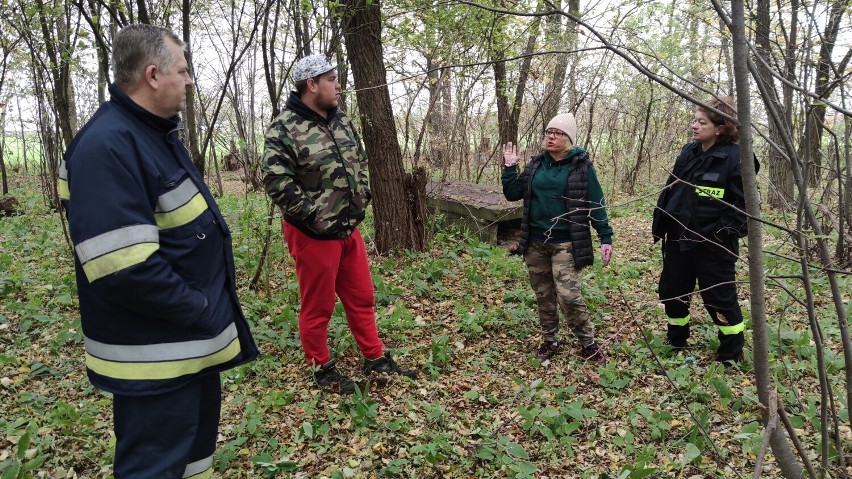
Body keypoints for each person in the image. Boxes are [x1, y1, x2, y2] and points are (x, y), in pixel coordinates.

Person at [59, 24, 258, 478]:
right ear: (153, 75)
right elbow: (122, 267)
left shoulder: (151, 134)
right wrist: (200, 308)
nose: (189, 81)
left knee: (194, 465)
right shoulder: (108, 146)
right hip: (154, 361)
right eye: (183, 71)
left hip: (185, 351)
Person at [262, 54, 416, 393]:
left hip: (349, 228)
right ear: (311, 84)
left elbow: (359, 160)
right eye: (331, 79)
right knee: (318, 306)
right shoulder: (284, 127)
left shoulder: (341, 121)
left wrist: (362, 200)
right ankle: (322, 369)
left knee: (362, 296)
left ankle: (375, 357)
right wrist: (313, 214)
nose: (338, 85)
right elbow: (275, 180)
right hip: (312, 234)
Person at [502, 112, 613, 365]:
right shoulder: (536, 165)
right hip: (535, 242)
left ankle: (588, 343)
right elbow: (512, 193)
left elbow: (596, 204)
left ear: (569, 139)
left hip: (566, 242)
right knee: (544, 295)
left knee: (569, 296)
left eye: (558, 133)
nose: (551, 136)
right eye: (549, 132)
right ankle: (550, 339)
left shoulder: (582, 167)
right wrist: (510, 168)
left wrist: (605, 236)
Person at [652, 96, 751, 365]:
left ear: (720, 127)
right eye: (694, 120)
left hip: (713, 245)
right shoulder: (689, 152)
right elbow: (672, 190)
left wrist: (719, 235)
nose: (694, 126)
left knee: (719, 298)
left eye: (701, 122)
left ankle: (730, 354)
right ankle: (676, 341)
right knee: (673, 291)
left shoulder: (737, 158)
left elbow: (744, 209)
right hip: (678, 239)